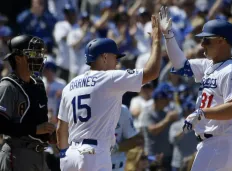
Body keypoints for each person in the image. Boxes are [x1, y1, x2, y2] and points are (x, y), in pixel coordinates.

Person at [56, 15, 162, 171]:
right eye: (115, 57)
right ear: (104, 57)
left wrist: (65, 154)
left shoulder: (69, 86)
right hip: (94, 154)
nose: (117, 62)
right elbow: (152, 72)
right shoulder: (109, 78)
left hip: (70, 154)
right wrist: (157, 41)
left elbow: (61, 130)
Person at [159, 6, 232, 171]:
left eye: (207, 40)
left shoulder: (231, 71)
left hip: (221, 143)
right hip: (214, 144)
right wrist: (168, 35)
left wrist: (203, 113)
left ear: (221, 41)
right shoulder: (209, 65)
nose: (202, 44)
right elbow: (180, 65)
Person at [0, 34, 56, 171]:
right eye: (33, 53)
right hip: (18, 153)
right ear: (18, 58)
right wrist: (35, 129)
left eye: (39, 53)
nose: (39, 57)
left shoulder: (38, 84)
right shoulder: (8, 86)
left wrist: (51, 135)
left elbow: (39, 122)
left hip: (40, 154)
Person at [111, 105, 143, 171]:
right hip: (90, 164)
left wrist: (115, 148)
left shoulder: (122, 109)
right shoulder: (88, 105)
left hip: (116, 167)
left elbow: (134, 140)